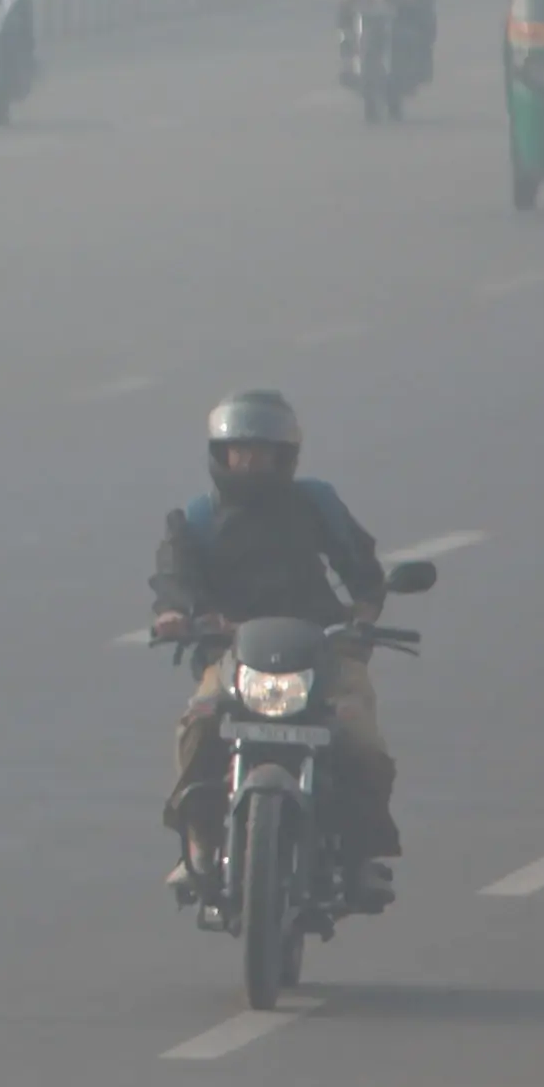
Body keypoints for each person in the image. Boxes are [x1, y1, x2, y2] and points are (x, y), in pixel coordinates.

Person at [153, 387, 401, 903]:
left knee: (360, 737)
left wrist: (362, 622)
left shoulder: (316, 503)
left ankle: (361, 855)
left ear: (283, 456)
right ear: (219, 455)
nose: (248, 461)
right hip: (232, 653)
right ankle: (197, 844)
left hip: (323, 650)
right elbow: (174, 579)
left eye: (261, 451)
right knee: (198, 724)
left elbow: (364, 574)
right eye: (238, 450)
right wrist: (177, 616)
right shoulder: (195, 519)